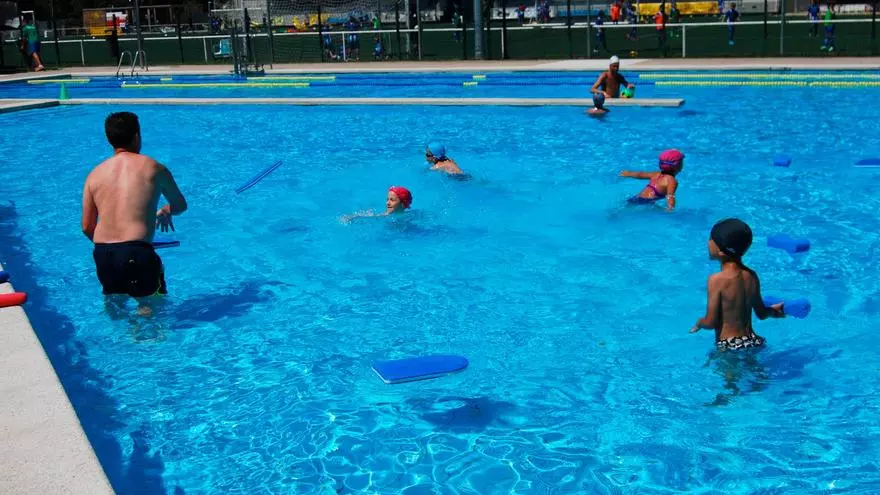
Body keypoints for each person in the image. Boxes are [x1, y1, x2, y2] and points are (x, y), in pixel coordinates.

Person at [81, 112, 188, 300]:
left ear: (109, 139)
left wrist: (114, 250)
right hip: (136, 251)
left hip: (103, 254)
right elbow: (180, 205)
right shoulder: (154, 168)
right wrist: (165, 210)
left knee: (114, 305)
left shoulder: (94, 174)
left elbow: (86, 227)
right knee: (149, 306)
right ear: (137, 137)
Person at [690, 218, 785, 352]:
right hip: (753, 341)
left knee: (718, 364)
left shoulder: (716, 280)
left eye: (711, 239)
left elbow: (711, 322)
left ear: (721, 251)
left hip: (730, 345)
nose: (708, 242)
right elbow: (762, 314)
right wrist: (774, 311)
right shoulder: (751, 275)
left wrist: (699, 323)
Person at [619, 149, 683, 210]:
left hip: (635, 199)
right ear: (677, 165)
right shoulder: (671, 181)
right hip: (645, 203)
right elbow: (670, 196)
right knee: (661, 211)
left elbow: (640, 175)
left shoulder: (656, 174)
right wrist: (670, 209)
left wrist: (629, 173)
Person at [342, 186, 413, 222]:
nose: (387, 203)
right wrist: (355, 217)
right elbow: (370, 217)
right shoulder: (385, 216)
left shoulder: (411, 216)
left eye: (392, 200)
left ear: (402, 204)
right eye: (387, 199)